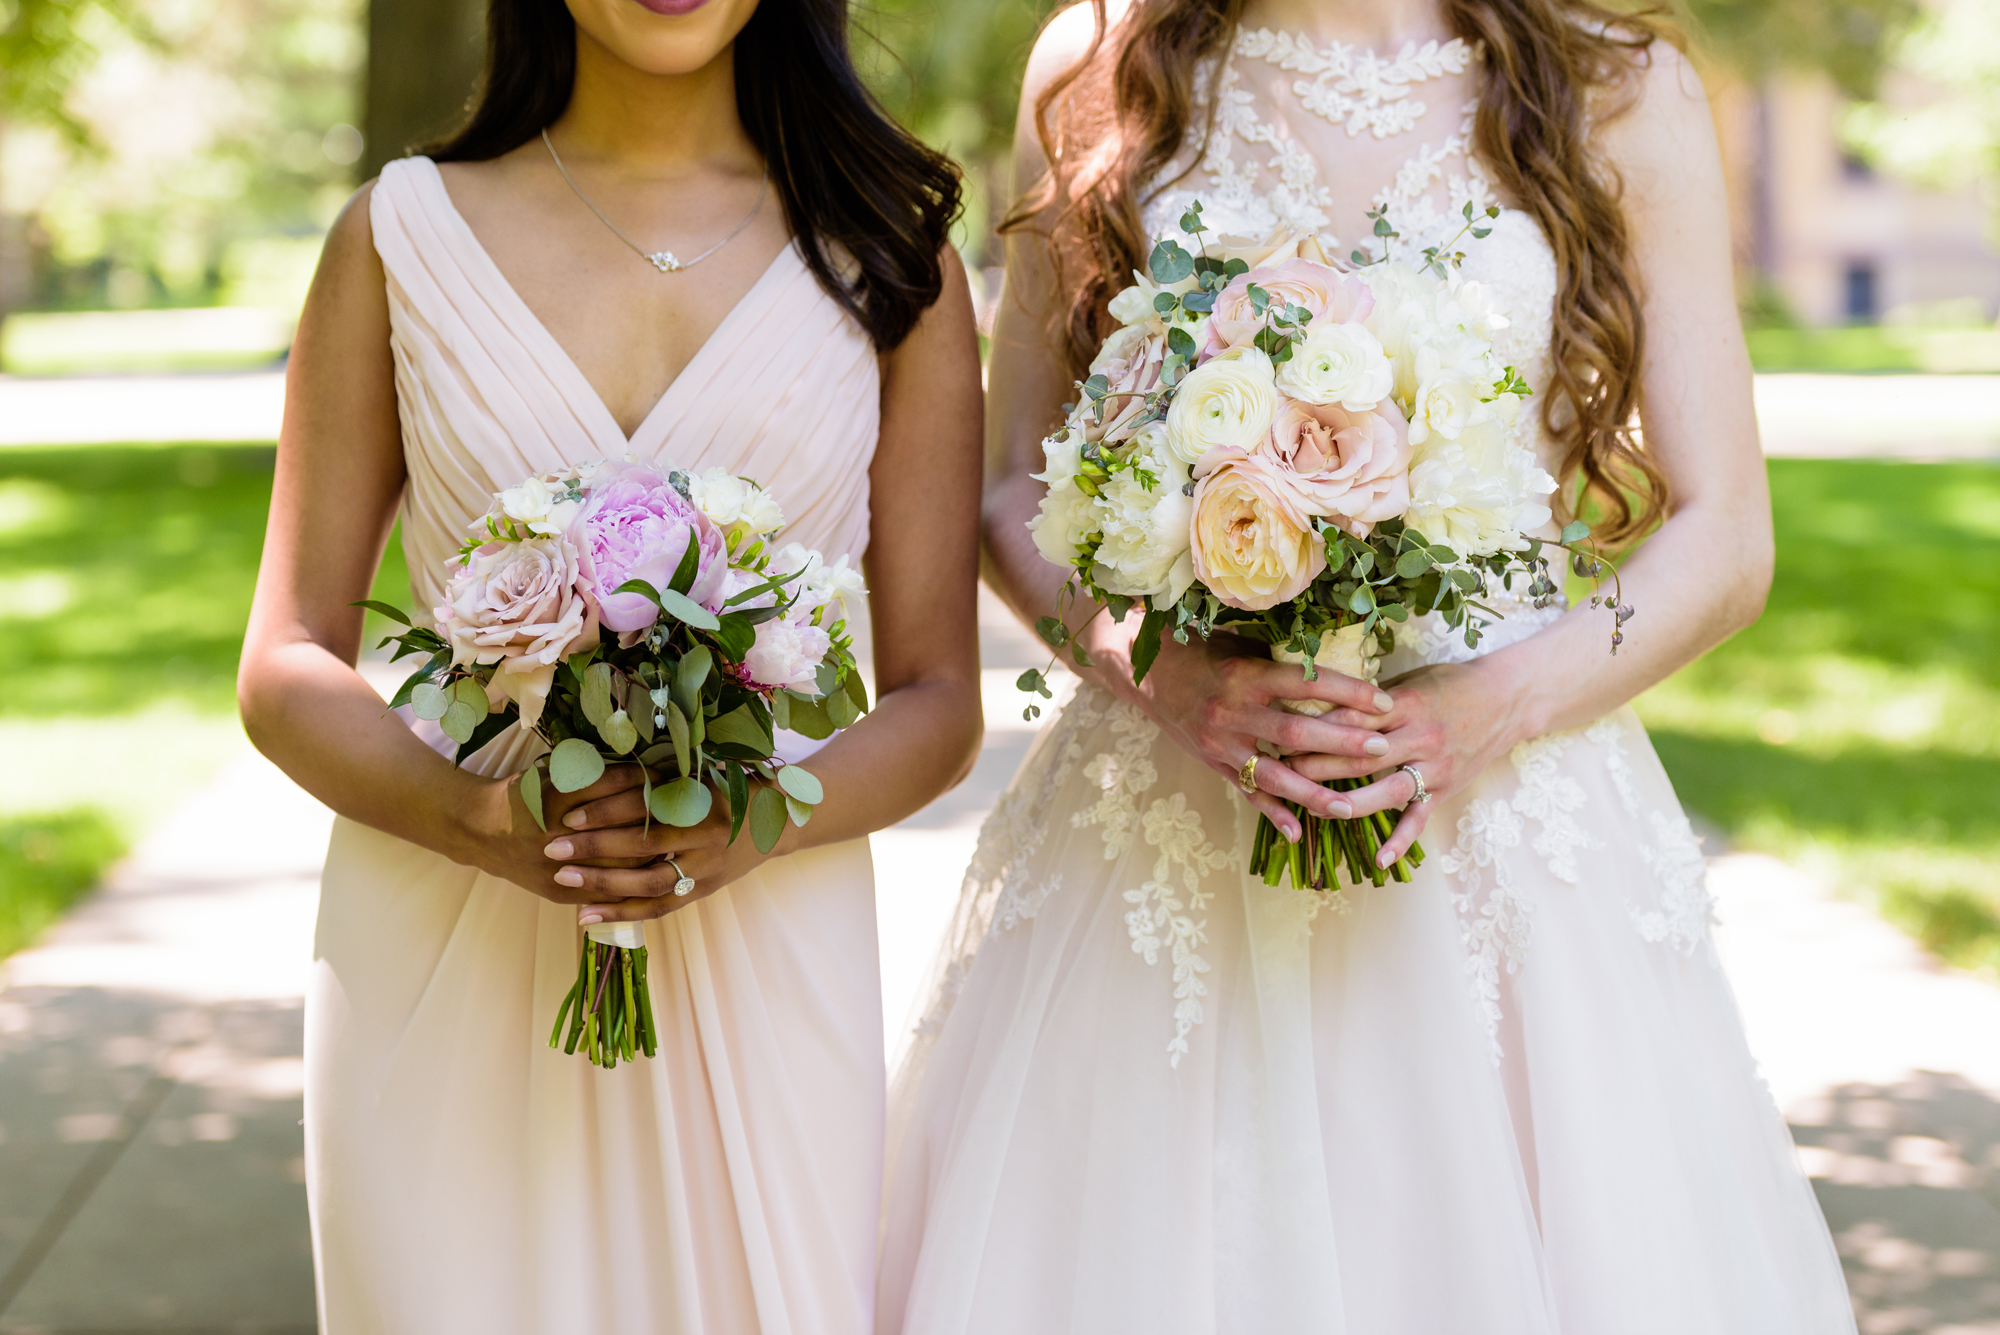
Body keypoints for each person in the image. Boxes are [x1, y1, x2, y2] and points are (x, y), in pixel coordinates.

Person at [879, 0, 1856, 1329]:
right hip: (1165, 828)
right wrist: (1166, 682)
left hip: (1510, 834)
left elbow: (1727, 535)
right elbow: (1011, 495)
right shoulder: (1097, 63)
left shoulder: (1620, 84)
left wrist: (1482, 711)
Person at [237, 0, 983, 1328]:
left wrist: (748, 828)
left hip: (764, 934)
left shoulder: (888, 251)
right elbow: (286, 658)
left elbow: (936, 700)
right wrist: (479, 816)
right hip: (441, 933)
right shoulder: (398, 237)